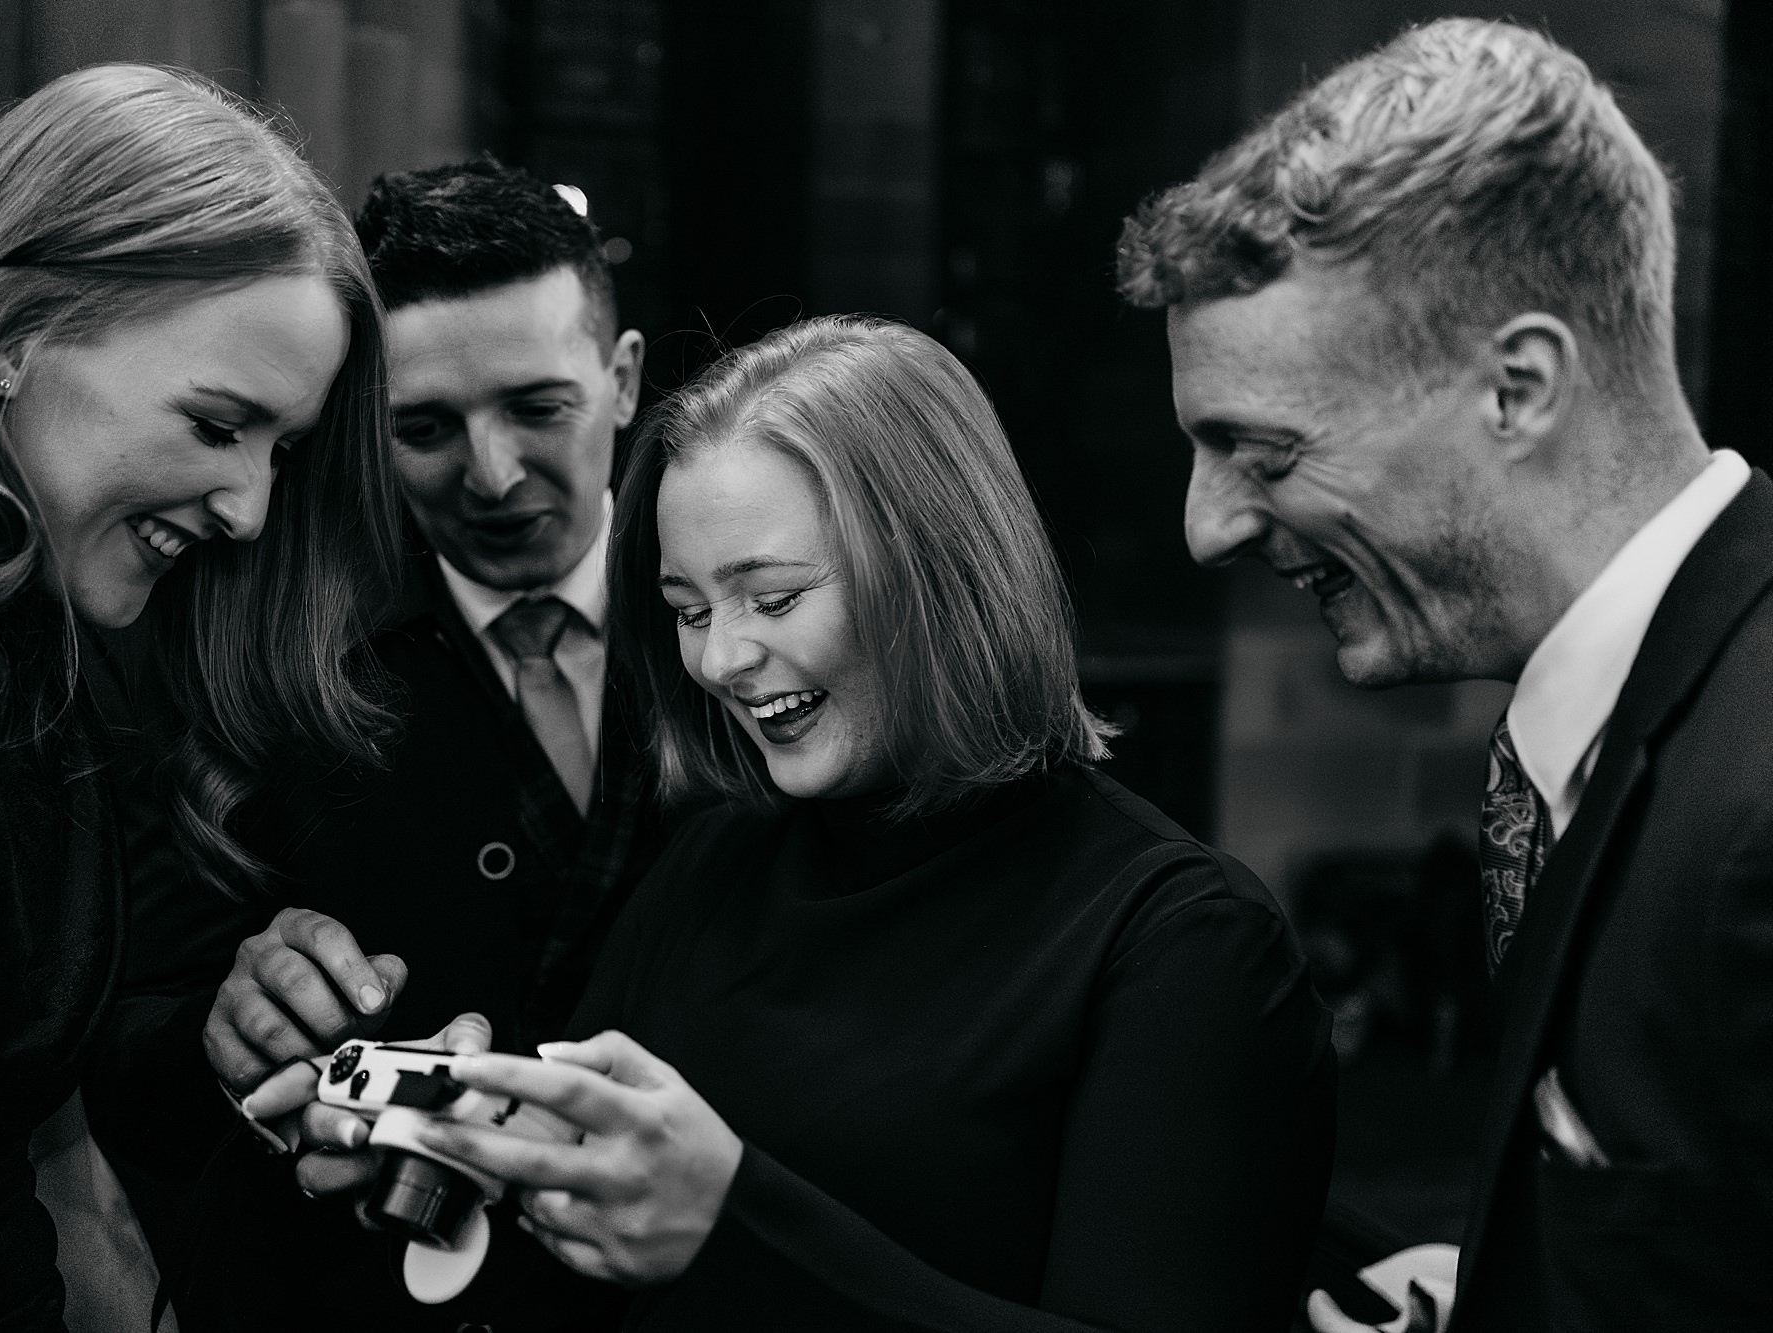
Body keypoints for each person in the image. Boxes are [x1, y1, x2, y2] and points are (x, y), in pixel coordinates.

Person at [278, 315, 1337, 1331]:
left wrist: (729, 1220)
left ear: (940, 573)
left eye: (771, 598)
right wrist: (459, 1160)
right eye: (688, 610)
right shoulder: (712, 862)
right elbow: (578, 1280)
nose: (719, 660)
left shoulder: (1178, 942)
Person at [1119, 17, 1773, 1333]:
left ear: (1519, 387)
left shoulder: (1758, 806)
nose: (1210, 527)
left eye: (1266, 449)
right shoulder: (1635, 712)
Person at [0, 64, 398, 1332]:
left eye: (282, 450)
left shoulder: (37, 671)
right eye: (219, 425)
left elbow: (54, 1173)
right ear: (13, 334)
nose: (250, 511)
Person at [86, 161, 668, 1332]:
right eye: (426, 428)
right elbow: (122, 1059)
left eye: (538, 407)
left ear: (621, 379)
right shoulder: (263, 663)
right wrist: (226, 1029)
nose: (492, 474)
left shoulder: (750, 628)